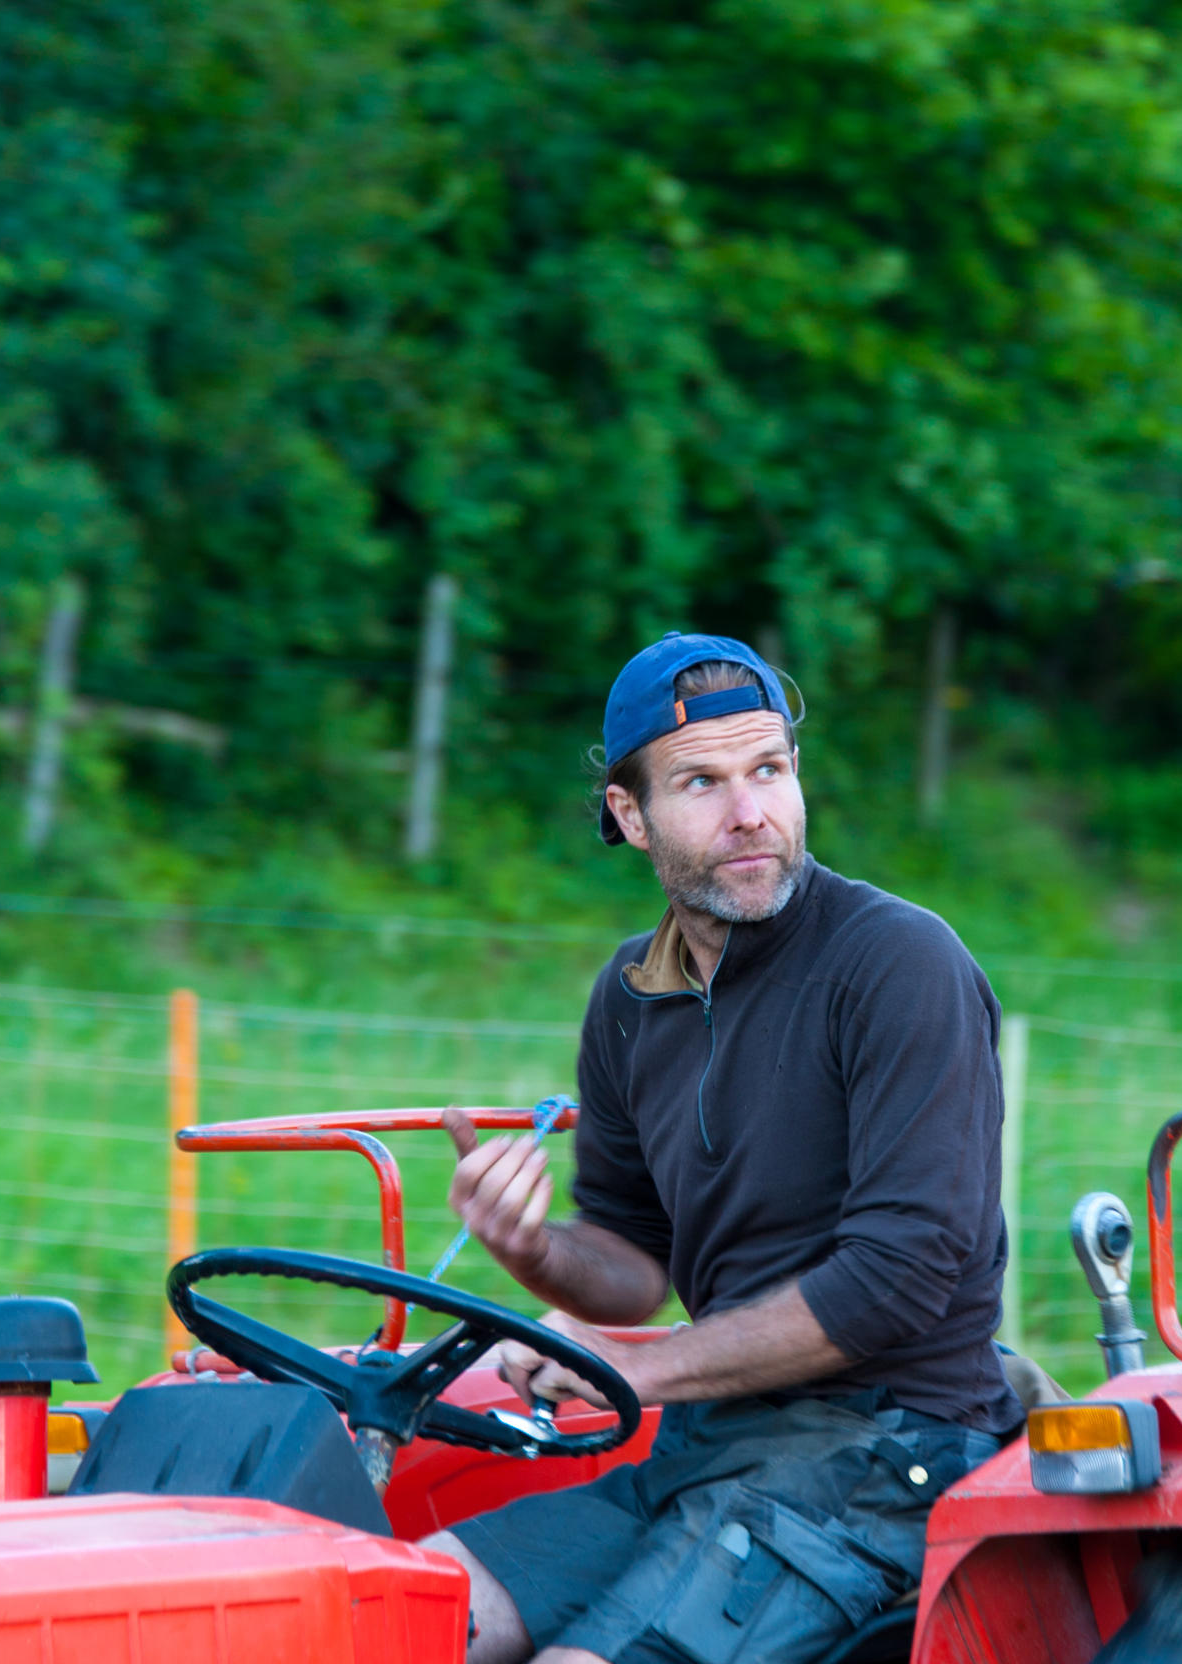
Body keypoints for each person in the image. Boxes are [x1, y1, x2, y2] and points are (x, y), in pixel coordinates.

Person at [418, 632, 1021, 1664]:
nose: (750, 812)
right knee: (401, 1611)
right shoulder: (630, 995)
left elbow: (895, 1281)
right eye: (702, 781)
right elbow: (631, 1261)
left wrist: (636, 1371)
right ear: (629, 816)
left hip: (893, 1453)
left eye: (769, 770)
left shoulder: (896, 961)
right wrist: (528, 1246)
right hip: (711, 1447)